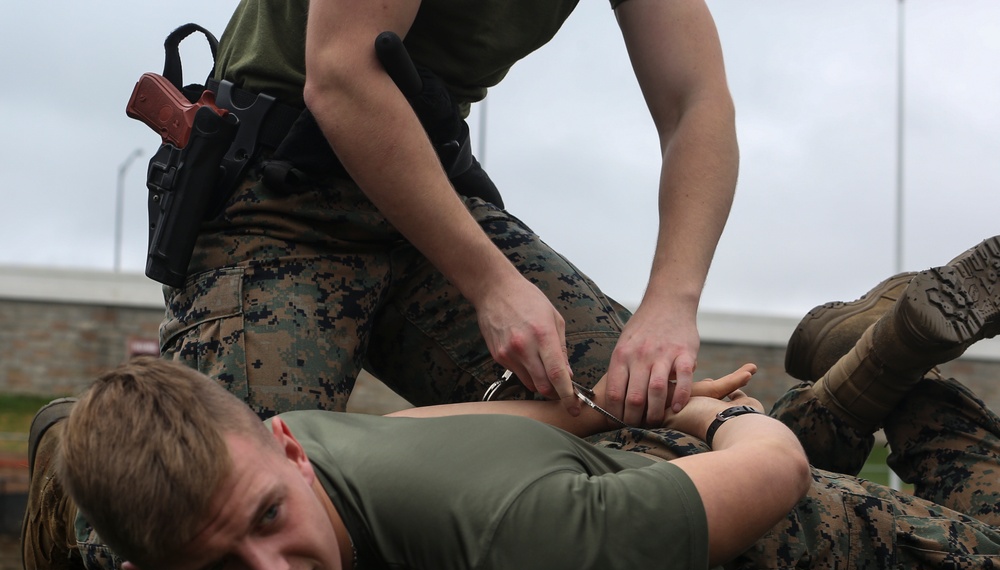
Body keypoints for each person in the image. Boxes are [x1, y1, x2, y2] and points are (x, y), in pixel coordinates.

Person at [22, 237, 1000, 570]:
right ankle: (856, 369)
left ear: (288, 451)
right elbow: (405, 433)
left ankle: (900, 372)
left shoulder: (516, 556)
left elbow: (775, 472)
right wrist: (600, 413)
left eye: (270, 520)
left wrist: (703, 418)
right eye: (215, 568)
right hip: (588, 479)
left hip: (748, 548)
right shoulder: (194, 515)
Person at [157, 0, 738, 427]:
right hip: (277, 200)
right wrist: (492, 285)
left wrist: (670, 304)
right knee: (238, 494)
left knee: (635, 424)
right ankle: (69, 472)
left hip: (428, 203)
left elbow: (697, 103)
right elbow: (340, 74)